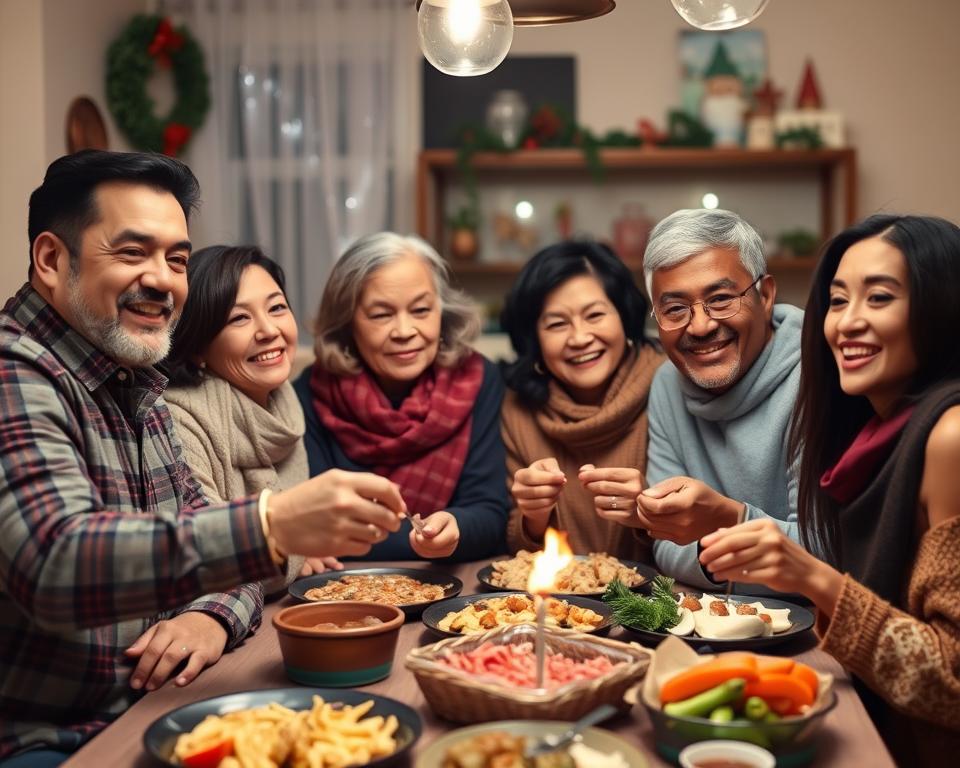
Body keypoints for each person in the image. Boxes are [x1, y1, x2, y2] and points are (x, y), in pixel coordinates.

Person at [0, 151, 406, 765]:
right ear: (53, 260)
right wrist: (274, 525)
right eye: (133, 253)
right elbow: (58, 561)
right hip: (48, 739)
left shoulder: (137, 382)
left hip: (157, 707)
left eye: (177, 258)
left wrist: (213, 615)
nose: (163, 279)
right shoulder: (16, 372)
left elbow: (222, 556)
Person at [698, 214, 960, 765]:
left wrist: (812, 576)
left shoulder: (950, 436)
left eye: (880, 298)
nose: (848, 324)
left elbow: (950, 680)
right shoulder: (869, 433)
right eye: (838, 301)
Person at [293, 232, 509, 562]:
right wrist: (411, 540)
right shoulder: (311, 392)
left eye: (421, 310)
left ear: (442, 312)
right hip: (346, 591)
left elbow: (491, 515)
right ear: (348, 322)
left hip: (453, 588)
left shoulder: (480, 380)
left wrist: (457, 527)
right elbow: (316, 526)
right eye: (381, 314)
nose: (405, 331)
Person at [637, 208, 804, 591]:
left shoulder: (818, 376)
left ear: (766, 296)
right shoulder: (667, 382)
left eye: (722, 298)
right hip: (712, 620)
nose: (700, 325)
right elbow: (665, 541)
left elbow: (828, 550)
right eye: (675, 308)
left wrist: (727, 519)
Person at [163, 245, 339, 581]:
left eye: (277, 308)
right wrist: (297, 551)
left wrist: (298, 549)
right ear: (199, 346)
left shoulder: (283, 403)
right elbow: (212, 561)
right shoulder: (179, 421)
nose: (269, 331)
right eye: (239, 318)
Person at [500, 240, 664, 559]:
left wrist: (648, 511)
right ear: (534, 338)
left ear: (624, 316)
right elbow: (519, 553)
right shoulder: (519, 409)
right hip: (561, 602)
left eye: (594, 315)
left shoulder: (668, 385)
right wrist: (533, 515)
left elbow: (702, 533)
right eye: (557, 324)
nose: (579, 338)